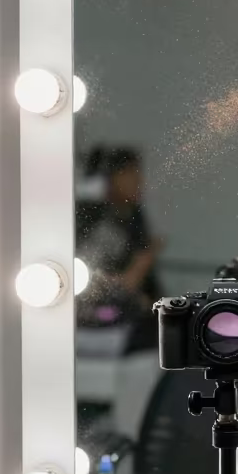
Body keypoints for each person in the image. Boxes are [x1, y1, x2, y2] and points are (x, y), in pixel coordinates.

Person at [75, 147, 161, 348]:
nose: (139, 182)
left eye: (138, 174)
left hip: (128, 319)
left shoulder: (134, 215)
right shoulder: (94, 216)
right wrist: (142, 262)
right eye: (130, 174)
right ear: (110, 178)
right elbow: (103, 280)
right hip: (95, 323)